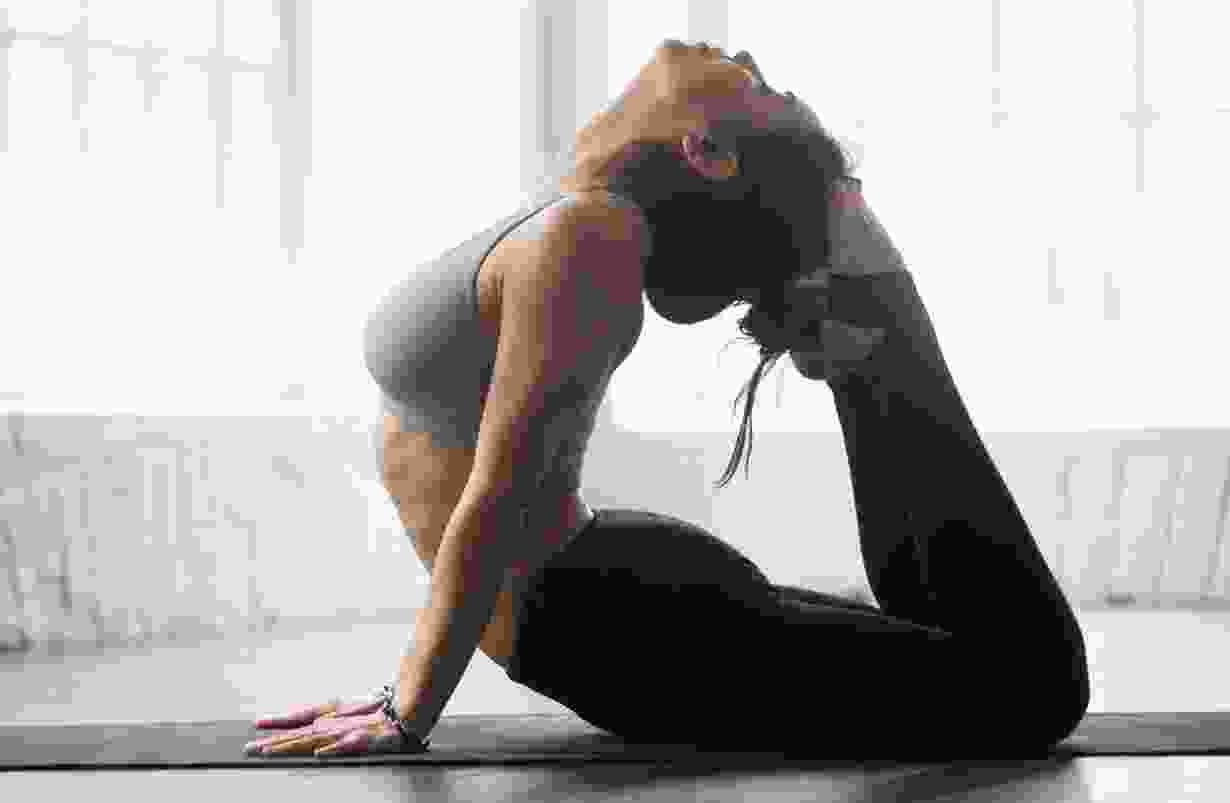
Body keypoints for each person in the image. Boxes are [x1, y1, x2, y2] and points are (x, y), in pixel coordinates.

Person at [244, 40, 1090, 760]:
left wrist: (407, 708)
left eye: (757, 87)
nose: (742, 56)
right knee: (963, 659)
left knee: (1033, 687)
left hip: (631, 627)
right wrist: (403, 692)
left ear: (707, 150)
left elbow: (499, 499)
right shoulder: (578, 215)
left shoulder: (590, 241)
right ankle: (864, 332)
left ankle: (878, 310)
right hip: (624, 606)